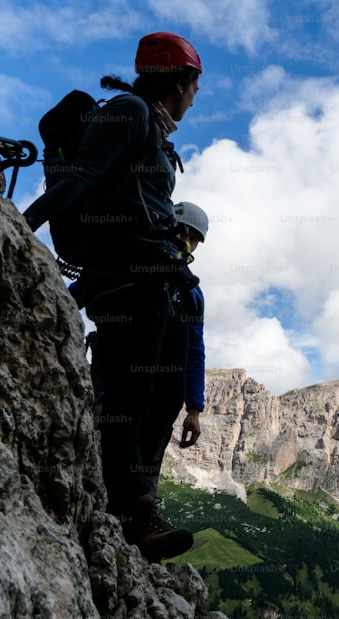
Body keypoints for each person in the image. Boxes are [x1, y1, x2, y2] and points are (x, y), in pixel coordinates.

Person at [23, 32, 202, 562]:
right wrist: (16, 226)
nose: (195, 97)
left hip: (158, 279)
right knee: (128, 398)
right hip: (127, 278)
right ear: (178, 81)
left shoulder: (154, 129)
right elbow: (81, 177)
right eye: (194, 85)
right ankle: (132, 512)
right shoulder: (127, 111)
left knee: (162, 400)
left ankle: (141, 500)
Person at [139, 201, 209, 501]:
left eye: (194, 238)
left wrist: (194, 409)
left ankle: (142, 514)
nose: (188, 242)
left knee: (150, 451)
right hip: (121, 380)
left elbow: (195, 351)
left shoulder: (192, 292)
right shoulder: (138, 261)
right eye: (185, 233)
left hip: (163, 394)